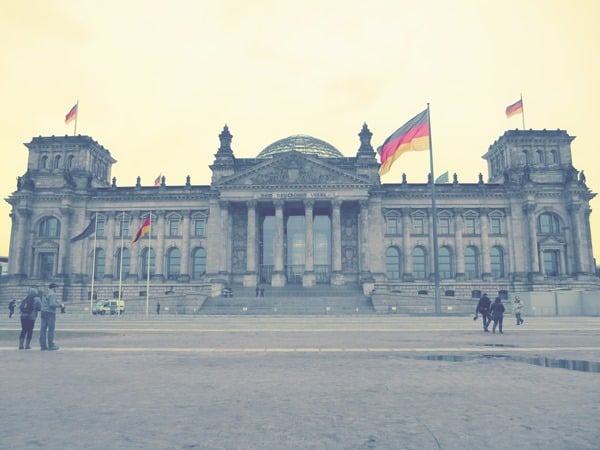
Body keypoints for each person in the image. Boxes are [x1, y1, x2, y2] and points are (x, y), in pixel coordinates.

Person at [39, 283, 65, 351]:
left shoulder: (45, 293)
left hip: (43, 312)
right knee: (51, 330)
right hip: (50, 313)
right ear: (54, 288)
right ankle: (51, 345)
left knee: (43, 330)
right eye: (56, 288)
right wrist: (60, 305)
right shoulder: (52, 294)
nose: (57, 290)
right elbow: (52, 304)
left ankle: (43, 345)